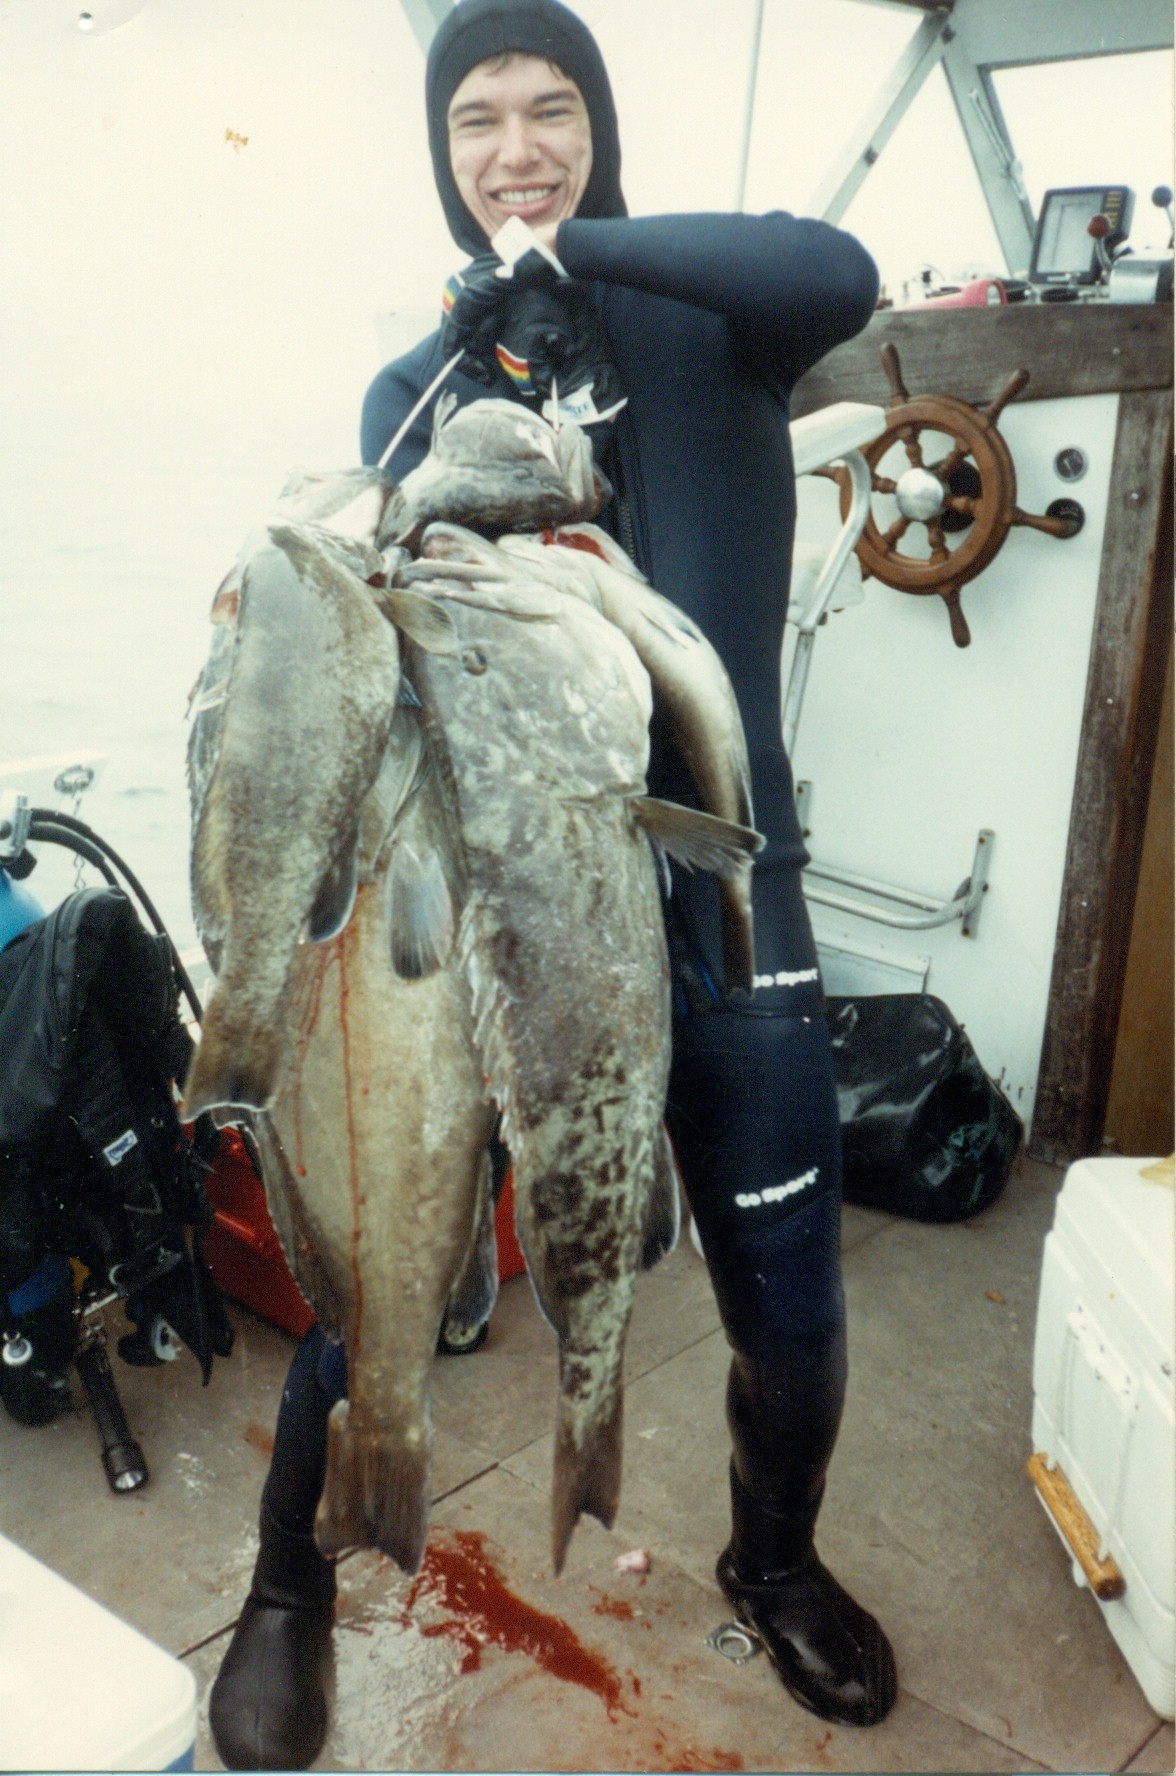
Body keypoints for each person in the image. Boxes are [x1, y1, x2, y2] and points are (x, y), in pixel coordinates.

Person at [209, 2, 894, 1766]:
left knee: (793, 1312)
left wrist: (565, 250)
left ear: (597, 127)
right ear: (439, 156)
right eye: (477, 127)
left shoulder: (718, 319)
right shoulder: (414, 386)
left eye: (550, 110)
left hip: (727, 886)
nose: (513, 148)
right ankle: (290, 1585)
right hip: (495, 907)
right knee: (388, 1254)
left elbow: (839, 264)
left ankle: (774, 1554)